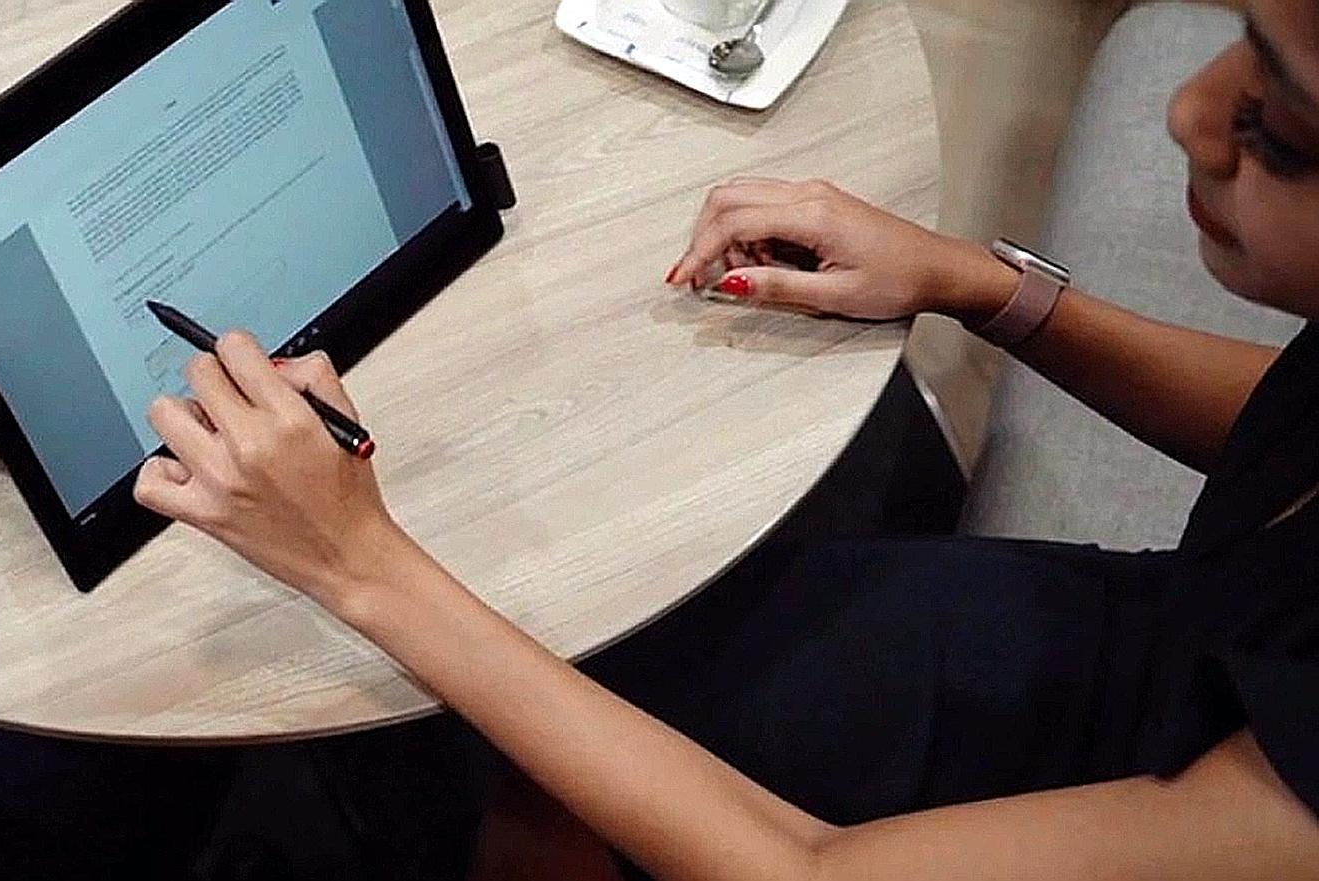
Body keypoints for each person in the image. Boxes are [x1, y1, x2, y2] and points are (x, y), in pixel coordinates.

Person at [129, 0, 1319, 877]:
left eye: (1281, 125)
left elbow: (808, 866)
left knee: (541, 745)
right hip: (1163, 642)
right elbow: (1289, 415)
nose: (1189, 112)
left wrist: (357, 563)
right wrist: (974, 282)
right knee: (609, 673)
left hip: (1144, 786)